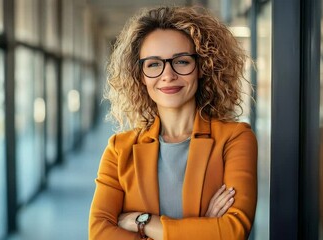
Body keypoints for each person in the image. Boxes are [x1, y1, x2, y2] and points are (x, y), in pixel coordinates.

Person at [89, 6, 257, 240]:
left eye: (181, 61)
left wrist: (142, 222)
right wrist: (204, 228)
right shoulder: (119, 150)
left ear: (201, 66)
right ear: (141, 75)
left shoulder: (235, 138)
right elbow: (99, 233)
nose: (168, 75)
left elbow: (233, 231)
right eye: (154, 64)